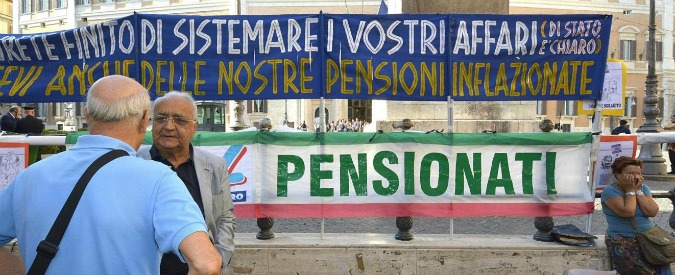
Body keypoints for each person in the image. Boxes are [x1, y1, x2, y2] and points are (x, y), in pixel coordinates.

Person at [0, 75, 222, 274]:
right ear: (146, 119)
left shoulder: (29, 177)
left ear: (87, 115)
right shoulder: (158, 179)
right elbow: (206, 264)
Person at [137, 91, 235, 275]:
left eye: (179, 120)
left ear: (194, 127)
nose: (169, 127)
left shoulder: (215, 166)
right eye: (161, 118)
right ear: (151, 123)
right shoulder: (134, 164)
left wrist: (218, 259)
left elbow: (225, 217)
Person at [601, 156, 669, 275]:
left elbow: (652, 211)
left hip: (650, 238)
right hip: (624, 239)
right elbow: (628, 212)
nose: (636, 177)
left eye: (638, 173)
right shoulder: (610, 191)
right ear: (618, 174)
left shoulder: (643, 188)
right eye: (630, 173)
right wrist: (630, 190)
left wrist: (638, 191)